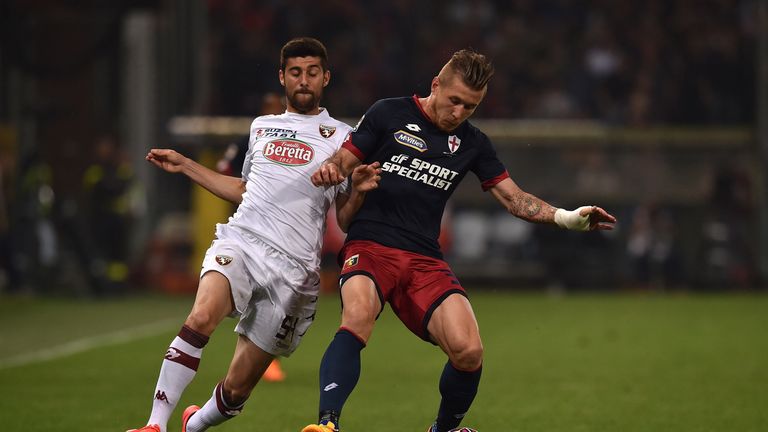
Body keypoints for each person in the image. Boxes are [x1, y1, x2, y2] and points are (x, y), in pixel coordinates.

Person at [302, 49, 617, 432]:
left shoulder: (473, 143)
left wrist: (569, 218)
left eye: (471, 106)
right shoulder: (388, 113)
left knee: (469, 351)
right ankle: (327, 425)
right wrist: (333, 173)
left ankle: (444, 429)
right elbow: (342, 161)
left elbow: (513, 198)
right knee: (357, 318)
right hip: (371, 246)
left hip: (424, 259)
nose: (459, 113)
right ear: (436, 85)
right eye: (454, 101)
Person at [126, 37, 381, 432]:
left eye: (312, 73)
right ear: (282, 77)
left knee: (237, 389)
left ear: (325, 78)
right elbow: (246, 188)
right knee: (201, 316)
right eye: (295, 72)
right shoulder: (262, 127)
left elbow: (344, 219)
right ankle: (154, 425)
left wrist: (359, 191)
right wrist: (187, 165)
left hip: (294, 271)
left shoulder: (343, 137)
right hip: (243, 241)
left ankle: (194, 424)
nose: (303, 81)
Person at [215, 91, 288, 382]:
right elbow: (226, 168)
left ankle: (263, 356)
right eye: (268, 106)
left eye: (276, 106)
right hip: (252, 228)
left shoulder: (294, 136)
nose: (273, 110)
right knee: (256, 294)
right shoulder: (252, 135)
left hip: (285, 229)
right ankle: (257, 359)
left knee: (284, 295)